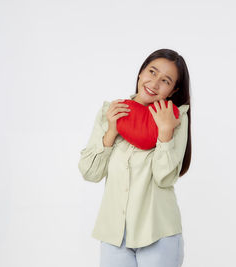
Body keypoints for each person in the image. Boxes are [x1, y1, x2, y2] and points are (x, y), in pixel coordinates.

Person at [78, 48, 192, 267]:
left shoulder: (175, 118)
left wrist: (165, 133)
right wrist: (111, 131)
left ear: (173, 90)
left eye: (166, 80)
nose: (155, 82)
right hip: (113, 235)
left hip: (158, 233)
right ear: (140, 72)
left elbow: (164, 178)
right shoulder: (112, 111)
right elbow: (90, 173)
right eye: (152, 71)